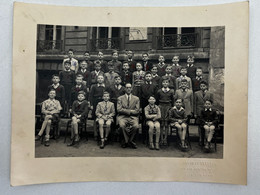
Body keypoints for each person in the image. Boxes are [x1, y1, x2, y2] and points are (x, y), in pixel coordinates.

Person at [117, 83, 140, 149]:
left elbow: (137, 110)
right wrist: (130, 111)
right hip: (123, 117)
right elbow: (119, 109)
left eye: (130, 87)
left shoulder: (136, 98)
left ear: (132, 89)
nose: (128, 89)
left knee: (136, 126)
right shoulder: (120, 98)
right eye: (127, 87)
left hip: (133, 117)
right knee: (122, 126)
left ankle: (129, 140)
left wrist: (126, 110)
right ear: (125, 89)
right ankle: (127, 141)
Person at [194, 81, 214, 146]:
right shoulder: (196, 93)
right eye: (201, 86)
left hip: (207, 112)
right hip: (199, 111)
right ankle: (200, 139)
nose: (202, 87)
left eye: (204, 86)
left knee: (207, 126)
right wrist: (195, 113)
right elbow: (195, 103)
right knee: (200, 126)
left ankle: (206, 140)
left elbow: (212, 103)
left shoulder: (210, 93)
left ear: (206, 86)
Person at [156, 78, 174, 145]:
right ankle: (161, 139)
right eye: (164, 82)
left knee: (166, 124)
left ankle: (165, 139)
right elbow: (157, 100)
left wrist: (171, 109)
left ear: (168, 84)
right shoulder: (159, 91)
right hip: (161, 107)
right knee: (161, 124)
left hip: (168, 107)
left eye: (166, 82)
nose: (165, 84)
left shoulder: (171, 91)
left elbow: (172, 101)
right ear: (162, 83)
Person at [89, 75, 108, 140]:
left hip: (103, 102)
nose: (100, 79)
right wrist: (91, 104)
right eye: (99, 78)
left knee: (103, 117)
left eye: (101, 78)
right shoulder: (94, 86)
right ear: (97, 79)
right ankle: (95, 134)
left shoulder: (105, 86)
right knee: (95, 117)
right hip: (95, 102)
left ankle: (103, 134)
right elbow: (91, 96)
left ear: (103, 79)